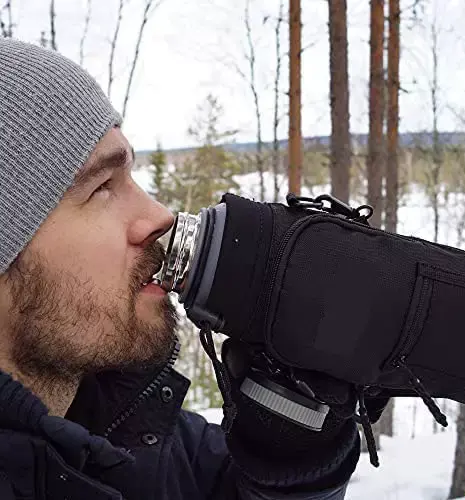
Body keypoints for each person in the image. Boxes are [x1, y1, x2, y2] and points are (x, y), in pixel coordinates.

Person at [0, 38, 360, 499]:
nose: (159, 216)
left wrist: (293, 451)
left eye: (131, 175)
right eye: (101, 186)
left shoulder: (135, 434)